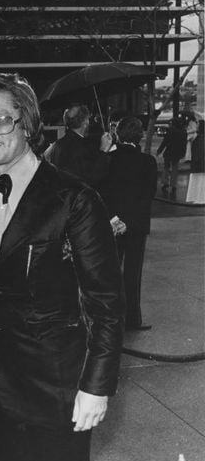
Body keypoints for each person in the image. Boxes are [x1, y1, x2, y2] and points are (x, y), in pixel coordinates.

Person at [0, 73, 123, 461]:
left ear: (27, 124)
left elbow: (105, 301)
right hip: (1, 385)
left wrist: (96, 387)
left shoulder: (74, 199)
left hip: (57, 386)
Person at [99, 116, 157, 331]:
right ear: (139, 135)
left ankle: (110, 318)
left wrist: (115, 219)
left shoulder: (108, 159)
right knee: (133, 272)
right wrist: (130, 223)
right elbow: (147, 197)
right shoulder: (147, 162)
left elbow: (102, 192)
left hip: (112, 224)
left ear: (118, 135)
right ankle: (133, 319)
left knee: (110, 271)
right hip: (136, 226)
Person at [44, 103, 112, 187]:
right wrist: (103, 151)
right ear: (85, 122)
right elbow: (92, 178)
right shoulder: (83, 147)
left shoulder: (56, 145)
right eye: (88, 119)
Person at [156, 117, 187, 199]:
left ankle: (165, 182)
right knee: (175, 168)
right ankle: (173, 185)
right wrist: (183, 153)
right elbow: (184, 144)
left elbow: (165, 142)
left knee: (166, 167)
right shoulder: (184, 132)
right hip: (177, 153)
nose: (169, 124)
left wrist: (159, 150)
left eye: (170, 123)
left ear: (173, 124)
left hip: (169, 152)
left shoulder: (171, 131)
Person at [186, 119, 205, 204]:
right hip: (199, 162)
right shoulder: (196, 136)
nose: (196, 125)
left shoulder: (198, 137)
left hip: (199, 162)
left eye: (197, 124)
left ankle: (198, 197)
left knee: (200, 180)